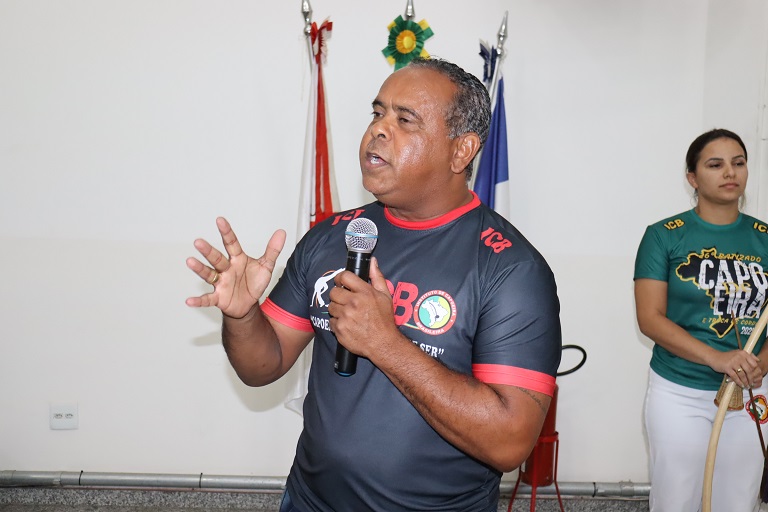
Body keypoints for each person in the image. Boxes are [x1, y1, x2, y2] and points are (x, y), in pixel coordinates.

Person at [186, 57, 562, 512]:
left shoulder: (511, 269)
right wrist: (244, 315)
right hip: (309, 502)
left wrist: (385, 343)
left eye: (405, 120)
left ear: (461, 151)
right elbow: (261, 367)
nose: (378, 130)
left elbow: (509, 442)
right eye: (377, 113)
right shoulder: (333, 236)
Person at [634, 128, 768, 512]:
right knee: (676, 501)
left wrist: (761, 364)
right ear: (692, 178)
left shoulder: (764, 239)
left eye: (738, 163)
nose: (730, 172)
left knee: (738, 502)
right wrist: (717, 358)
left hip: (751, 391)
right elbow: (650, 319)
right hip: (680, 391)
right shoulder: (663, 236)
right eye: (715, 164)